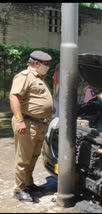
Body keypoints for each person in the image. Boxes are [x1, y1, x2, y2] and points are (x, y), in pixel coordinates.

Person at [9, 50, 55, 202]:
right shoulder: (24, 76)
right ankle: (19, 189)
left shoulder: (40, 78)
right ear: (36, 63)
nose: (47, 66)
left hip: (39, 123)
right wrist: (19, 119)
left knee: (33, 157)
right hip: (27, 122)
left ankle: (28, 184)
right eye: (45, 64)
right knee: (23, 158)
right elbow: (14, 96)